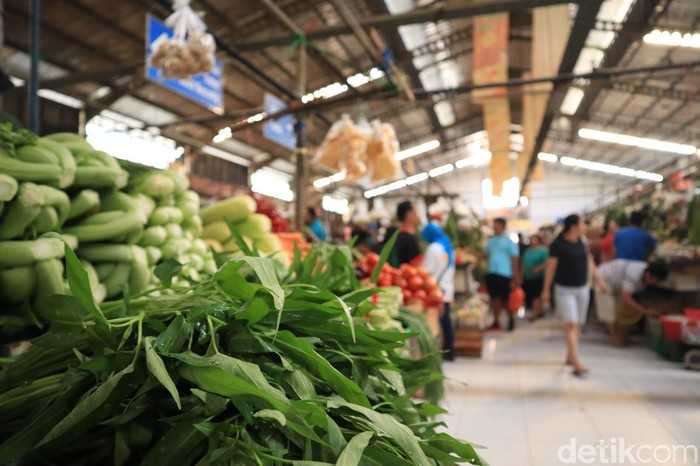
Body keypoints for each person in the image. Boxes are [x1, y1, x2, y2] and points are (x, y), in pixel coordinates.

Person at [542, 214, 606, 377]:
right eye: (583, 223)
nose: (585, 226)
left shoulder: (582, 242)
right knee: (571, 324)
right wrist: (545, 291)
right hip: (564, 290)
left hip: (582, 288)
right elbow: (550, 268)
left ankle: (570, 356)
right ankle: (576, 363)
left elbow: (590, 261)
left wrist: (598, 280)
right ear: (573, 226)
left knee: (577, 326)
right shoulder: (557, 245)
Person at [599, 259, 669, 346]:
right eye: (655, 280)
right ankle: (614, 337)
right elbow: (626, 298)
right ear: (648, 275)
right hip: (602, 277)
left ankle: (620, 336)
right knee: (608, 309)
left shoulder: (646, 273)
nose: (656, 283)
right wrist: (646, 311)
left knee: (621, 309)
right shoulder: (634, 274)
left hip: (617, 282)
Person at [421, 222, 456, 361]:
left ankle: (445, 350)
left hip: (435, 289)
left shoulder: (433, 248)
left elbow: (427, 270)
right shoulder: (447, 245)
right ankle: (450, 349)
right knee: (446, 320)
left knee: (439, 321)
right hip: (446, 287)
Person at [485, 218, 520, 331]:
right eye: (494, 225)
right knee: (494, 299)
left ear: (503, 227)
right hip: (492, 273)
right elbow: (486, 255)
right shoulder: (490, 241)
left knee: (506, 299)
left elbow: (514, 259)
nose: (495, 227)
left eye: (497, 225)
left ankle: (511, 319)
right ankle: (496, 321)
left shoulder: (509, 242)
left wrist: (515, 276)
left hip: (505, 274)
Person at [521, 234, 548, 320]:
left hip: (538, 276)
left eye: (534, 239)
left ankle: (535, 313)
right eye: (531, 239)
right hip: (528, 276)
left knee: (536, 295)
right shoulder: (528, 251)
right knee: (532, 295)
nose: (532, 241)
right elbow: (523, 263)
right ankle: (539, 311)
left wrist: (539, 268)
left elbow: (547, 262)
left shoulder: (543, 250)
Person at [391, 201, 422, 267]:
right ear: (409, 214)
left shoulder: (399, 235)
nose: (417, 214)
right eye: (415, 211)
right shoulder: (406, 239)